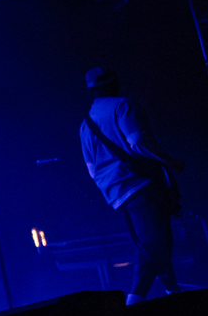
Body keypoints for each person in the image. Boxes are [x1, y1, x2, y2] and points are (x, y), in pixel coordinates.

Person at [79, 66, 186, 302]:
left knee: (154, 243)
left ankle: (173, 293)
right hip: (141, 185)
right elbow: (138, 141)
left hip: (117, 195)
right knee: (154, 245)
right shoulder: (122, 106)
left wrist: (111, 187)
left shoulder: (85, 124)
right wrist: (171, 161)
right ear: (113, 83)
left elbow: (91, 169)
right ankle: (134, 303)